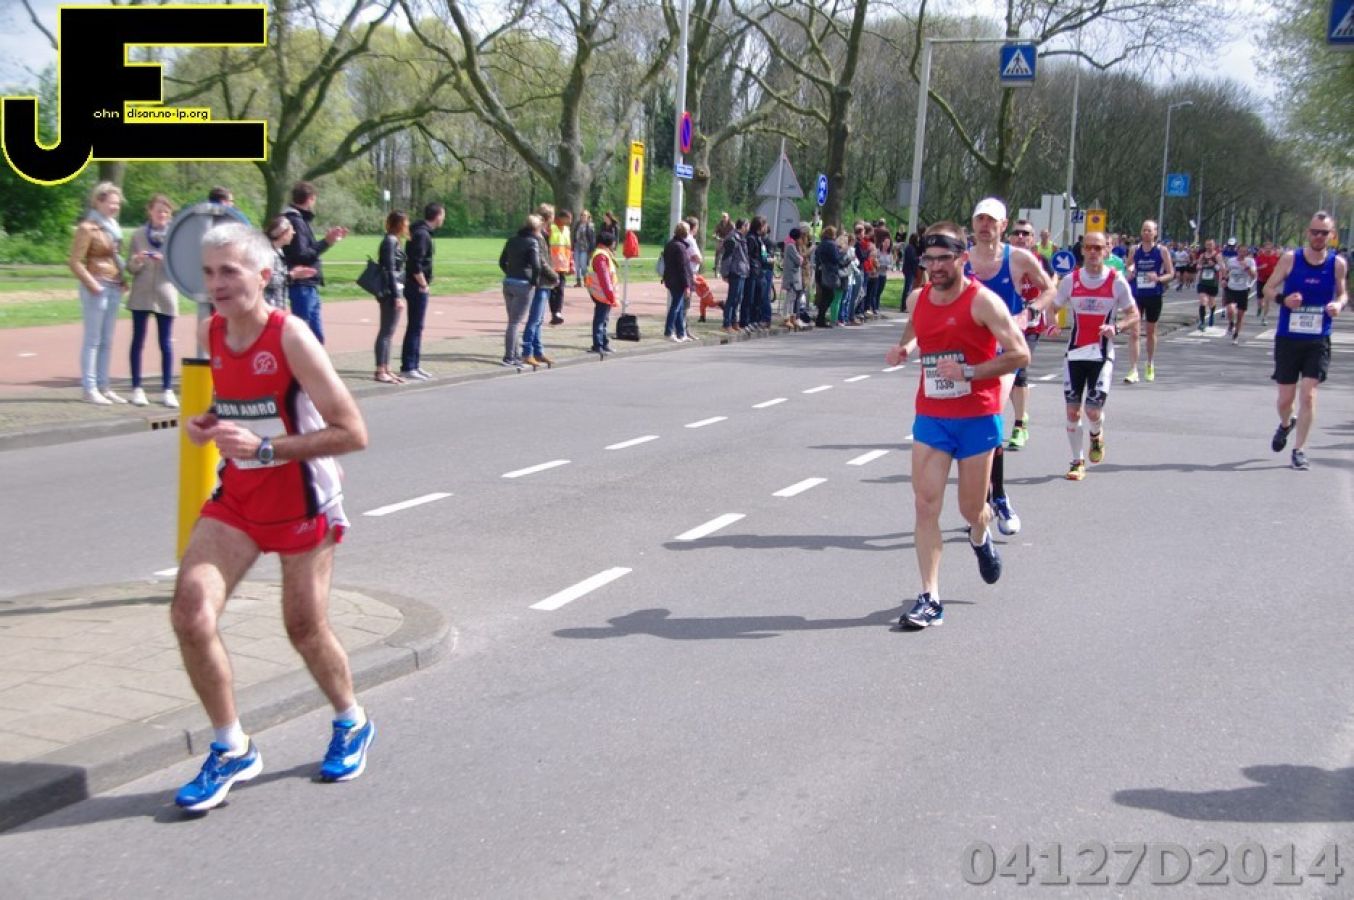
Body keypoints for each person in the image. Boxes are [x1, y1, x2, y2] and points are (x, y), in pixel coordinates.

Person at [172, 222, 371, 812]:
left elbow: (353, 433)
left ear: (263, 276)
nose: (216, 284)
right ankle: (231, 747)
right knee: (190, 613)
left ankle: (351, 720)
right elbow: (239, 403)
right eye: (208, 273)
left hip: (303, 502)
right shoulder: (211, 329)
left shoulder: (292, 337)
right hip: (237, 501)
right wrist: (210, 421)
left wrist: (264, 449)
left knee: (303, 628)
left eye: (229, 272)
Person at [885, 222, 1030, 630]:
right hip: (932, 415)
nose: (935, 267)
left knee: (971, 509)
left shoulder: (984, 303)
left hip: (977, 417)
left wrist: (969, 372)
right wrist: (904, 349)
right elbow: (916, 329)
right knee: (925, 504)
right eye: (929, 259)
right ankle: (930, 598)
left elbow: (1020, 355)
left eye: (944, 258)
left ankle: (980, 536)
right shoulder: (918, 298)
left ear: (963, 259)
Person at [966, 200, 1055, 536]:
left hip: (1004, 353)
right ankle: (983, 500)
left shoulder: (1018, 258)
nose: (985, 225)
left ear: (1003, 226)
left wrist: (1030, 312)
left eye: (992, 220)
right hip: (970, 352)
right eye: (980, 219)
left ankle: (999, 497)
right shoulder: (962, 260)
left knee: (990, 414)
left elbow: (1049, 288)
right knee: (973, 427)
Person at [1036, 231, 1138, 481]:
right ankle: (1076, 461)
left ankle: (1096, 433)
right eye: (1089, 247)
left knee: (1092, 411)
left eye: (1098, 248)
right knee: (1072, 411)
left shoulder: (1116, 281)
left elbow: (1134, 314)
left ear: (1106, 250)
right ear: (1082, 250)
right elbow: (1052, 307)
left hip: (1102, 354)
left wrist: (1116, 327)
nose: (1093, 252)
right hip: (1075, 353)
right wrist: (1052, 324)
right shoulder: (1071, 280)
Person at [1262, 211, 1348, 471]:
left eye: (1324, 233)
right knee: (1285, 400)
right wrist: (1284, 300)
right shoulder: (1291, 258)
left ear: (1332, 236)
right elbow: (1268, 288)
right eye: (1315, 232)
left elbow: (1343, 294)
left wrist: (1338, 305)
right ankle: (1286, 423)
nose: (1319, 236)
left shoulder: (1337, 264)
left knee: (1308, 395)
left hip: (1318, 339)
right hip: (1289, 338)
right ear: (1307, 233)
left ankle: (1299, 450)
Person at [69, 181, 128, 405]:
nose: (115, 207)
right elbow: (75, 262)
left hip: (113, 284)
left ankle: (104, 386)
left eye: (117, 204)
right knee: (93, 340)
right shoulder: (87, 228)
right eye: (111, 203)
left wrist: (122, 279)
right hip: (97, 285)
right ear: (98, 202)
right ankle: (90, 388)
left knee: (107, 340)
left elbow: (115, 258)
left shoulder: (114, 228)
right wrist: (92, 284)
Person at [1004, 218, 1057, 452]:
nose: (1021, 237)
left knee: (1020, 372)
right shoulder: (1003, 260)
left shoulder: (1040, 260)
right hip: (1005, 325)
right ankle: (1018, 414)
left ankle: (1019, 425)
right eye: (1017, 233)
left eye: (1026, 234)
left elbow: (1052, 281)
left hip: (1031, 325)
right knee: (1004, 375)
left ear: (1032, 239)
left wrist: (1042, 306)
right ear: (1010, 237)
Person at [124, 194, 179, 408]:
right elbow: (130, 268)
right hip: (142, 294)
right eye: (158, 211)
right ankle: (137, 388)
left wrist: (165, 261)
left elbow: (181, 267)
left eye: (166, 212)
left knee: (165, 343)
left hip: (166, 294)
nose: (162, 215)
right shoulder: (138, 235)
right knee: (138, 340)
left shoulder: (175, 236)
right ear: (150, 211)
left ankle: (167, 389)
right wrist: (137, 260)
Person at [282, 181, 348, 343]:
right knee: (308, 336)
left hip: (307, 284)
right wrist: (326, 242)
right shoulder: (296, 221)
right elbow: (301, 255)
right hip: (302, 284)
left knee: (315, 336)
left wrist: (328, 241)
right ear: (311, 198)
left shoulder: (299, 220)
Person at [1123, 219, 1173, 383]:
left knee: (1151, 332)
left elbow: (1171, 273)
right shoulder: (1134, 249)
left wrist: (1158, 278)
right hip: (1136, 294)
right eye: (1144, 230)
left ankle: (1150, 363)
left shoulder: (1161, 251)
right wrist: (1130, 271)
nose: (1146, 233)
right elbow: (1129, 267)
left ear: (1155, 233)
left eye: (1149, 230)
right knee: (1134, 332)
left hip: (1153, 294)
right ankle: (1133, 369)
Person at [400, 202, 444, 381]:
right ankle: (408, 366)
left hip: (415, 284)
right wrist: (423, 284)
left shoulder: (420, 232)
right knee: (415, 326)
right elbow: (415, 263)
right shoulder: (422, 235)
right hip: (416, 286)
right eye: (443, 215)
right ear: (438, 216)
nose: (443, 219)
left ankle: (414, 365)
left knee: (417, 327)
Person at [499, 214, 542, 368]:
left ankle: (515, 355)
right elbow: (536, 265)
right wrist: (534, 281)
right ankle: (509, 357)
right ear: (536, 228)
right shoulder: (533, 242)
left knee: (513, 321)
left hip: (509, 282)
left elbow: (501, 261)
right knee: (514, 322)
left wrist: (509, 272)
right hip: (523, 284)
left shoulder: (512, 240)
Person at [521, 203, 558, 369]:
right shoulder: (538, 236)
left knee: (539, 319)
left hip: (545, 282)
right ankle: (527, 352)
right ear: (547, 218)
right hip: (540, 282)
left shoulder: (543, 234)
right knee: (534, 319)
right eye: (552, 215)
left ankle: (538, 351)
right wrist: (554, 275)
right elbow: (541, 261)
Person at [373, 211, 408, 384]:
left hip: (394, 290)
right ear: (400, 224)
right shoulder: (390, 241)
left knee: (389, 332)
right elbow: (389, 270)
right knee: (386, 332)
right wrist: (396, 296)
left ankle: (386, 367)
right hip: (390, 292)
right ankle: (381, 370)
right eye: (406, 223)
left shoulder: (393, 240)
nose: (407, 226)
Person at [262, 216, 314, 311]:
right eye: (291, 230)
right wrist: (292, 275)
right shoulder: (267, 252)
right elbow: (268, 279)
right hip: (268, 308)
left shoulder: (279, 251)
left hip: (277, 306)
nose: (294, 233)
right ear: (283, 233)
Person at [586, 230, 620, 355]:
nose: (615, 244)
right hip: (602, 292)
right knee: (600, 319)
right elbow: (604, 278)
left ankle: (604, 343)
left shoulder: (603, 254)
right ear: (609, 242)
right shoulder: (601, 256)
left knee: (604, 319)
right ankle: (598, 345)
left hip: (602, 292)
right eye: (614, 242)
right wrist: (611, 295)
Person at [661, 221, 693, 342]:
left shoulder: (670, 244)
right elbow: (682, 268)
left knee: (679, 306)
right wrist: (687, 285)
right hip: (678, 281)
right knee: (676, 306)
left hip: (670, 279)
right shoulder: (680, 247)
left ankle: (681, 333)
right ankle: (668, 332)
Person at [1222, 238, 1257, 344]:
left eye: (1244, 252)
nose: (1242, 253)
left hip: (1243, 290)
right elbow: (1226, 271)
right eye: (1240, 251)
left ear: (1247, 253)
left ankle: (1236, 335)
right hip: (1231, 288)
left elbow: (1254, 276)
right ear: (1237, 251)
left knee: (1240, 315)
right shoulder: (1231, 260)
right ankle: (1231, 323)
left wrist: (1246, 268)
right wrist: (1224, 280)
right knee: (1230, 310)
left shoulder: (1250, 261)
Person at [720, 219, 750, 333]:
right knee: (732, 298)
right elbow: (727, 257)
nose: (748, 228)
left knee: (738, 298)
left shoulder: (742, 238)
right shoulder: (732, 238)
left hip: (741, 271)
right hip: (735, 271)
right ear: (742, 226)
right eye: (747, 226)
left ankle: (734, 321)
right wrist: (725, 273)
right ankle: (726, 323)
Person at [813, 226, 843, 328]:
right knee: (829, 296)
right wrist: (841, 252)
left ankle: (820, 317)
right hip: (829, 273)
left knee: (825, 295)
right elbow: (836, 259)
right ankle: (820, 318)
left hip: (820, 271)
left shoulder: (821, 244)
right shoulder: (831, 245)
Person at [547, 210, 573, 325]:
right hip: (551, 265)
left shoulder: (567, 230)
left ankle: (558, 312)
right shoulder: (551, 228)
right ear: (561, 218)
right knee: (552, 290)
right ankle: (554, 312)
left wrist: (571, 263)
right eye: (568, 218)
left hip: (563, 265)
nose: (570, 221)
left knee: (561, 290)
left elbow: (568, 248)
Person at [1194, 238, 1223, 332]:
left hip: (1213, 282)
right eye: (1207, 245)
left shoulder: (1217, 255)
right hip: (1203, 281)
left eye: (1211, 245)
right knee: (1203, 301)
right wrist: (1201, 266)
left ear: (1214, 245)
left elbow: (1222, 267)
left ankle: (1211, 314)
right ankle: (1202, 322)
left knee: (1211, 302)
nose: (1209, 247)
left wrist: (1214, 265)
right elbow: (1197, 266)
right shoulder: (1202, 255)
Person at [782, 227, 807, 328]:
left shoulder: (792, 245)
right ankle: (786, 317)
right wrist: (801, 258)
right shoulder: (790, 246)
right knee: (789, 298)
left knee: (792, 298)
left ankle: (792, 317)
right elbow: (798, 260)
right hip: (791, 276)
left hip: (794, 277)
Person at [1254, 239, 1282, 325]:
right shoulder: (1259, 257)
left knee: (1267, 300)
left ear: (1272, 249)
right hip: (1261, 280)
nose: (1268, 250)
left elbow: (1280, 268)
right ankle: (1259, 308)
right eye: (1266, 248)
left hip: (1270, 282)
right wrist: (1261, 267)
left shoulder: (1276, 258)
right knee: (1260, 301)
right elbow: (1254, 268)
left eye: (1270, 248)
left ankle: (1264, 318)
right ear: (1263, 249)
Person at [572, 210, 595, 287]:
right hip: (577, 247)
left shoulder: (590, 226)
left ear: (588, 217)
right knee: (577, 265)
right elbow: (574, 236)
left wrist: (592, 250)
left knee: (583, 265)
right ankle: (578, 281)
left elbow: (592, 239)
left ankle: (586, 281)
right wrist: (573, 246)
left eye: (585, 215)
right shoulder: (577, 225)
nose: (583, 216)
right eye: (582, 215)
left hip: (585, 248)